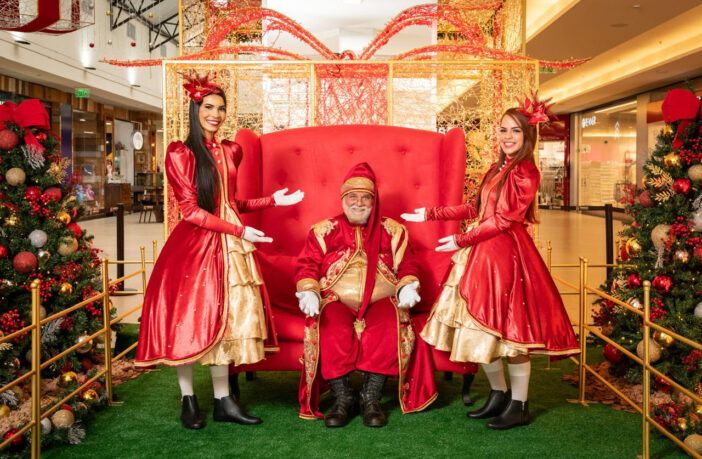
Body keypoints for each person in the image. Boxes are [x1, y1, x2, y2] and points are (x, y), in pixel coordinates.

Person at [135, 73, 304, 429]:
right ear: (195, 109)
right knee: (188, 320)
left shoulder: (229, 150)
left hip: (228, 240)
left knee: (227, 319)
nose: (216, 114)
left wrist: (272, 200)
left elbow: (229, 202)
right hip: (194, 247)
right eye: (209, 107)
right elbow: (193, 211)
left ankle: (223, 401)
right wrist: (241, 230)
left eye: (221, 108)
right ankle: (187, 400)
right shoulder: (180, 153)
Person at [402, 95, 579, 430]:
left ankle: (520, 404)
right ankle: (499, 394)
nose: (507, 136)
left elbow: (503, 220)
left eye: (515, 131)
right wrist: (430, 213)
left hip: (506, 256)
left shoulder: (526, 171)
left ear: (529, 136)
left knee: (511, 333)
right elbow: (474, 209)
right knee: (484, 327)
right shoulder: (497, 169)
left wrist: (460, 239)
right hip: (483, 254)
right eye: (503, 130)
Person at [295, 162, 436, 427]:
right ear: (343, 199)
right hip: (337, 299)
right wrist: (308, 291)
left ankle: (371, 398)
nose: (358, 203)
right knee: (332, 326)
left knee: (386, 323)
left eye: (365, 198)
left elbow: (408, 263)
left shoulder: (394, 230)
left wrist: (408, 285)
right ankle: (343, 397)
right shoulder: (323, 229)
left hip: (382, 297)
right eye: (352, 197)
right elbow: (307, 265)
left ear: (374, 201)